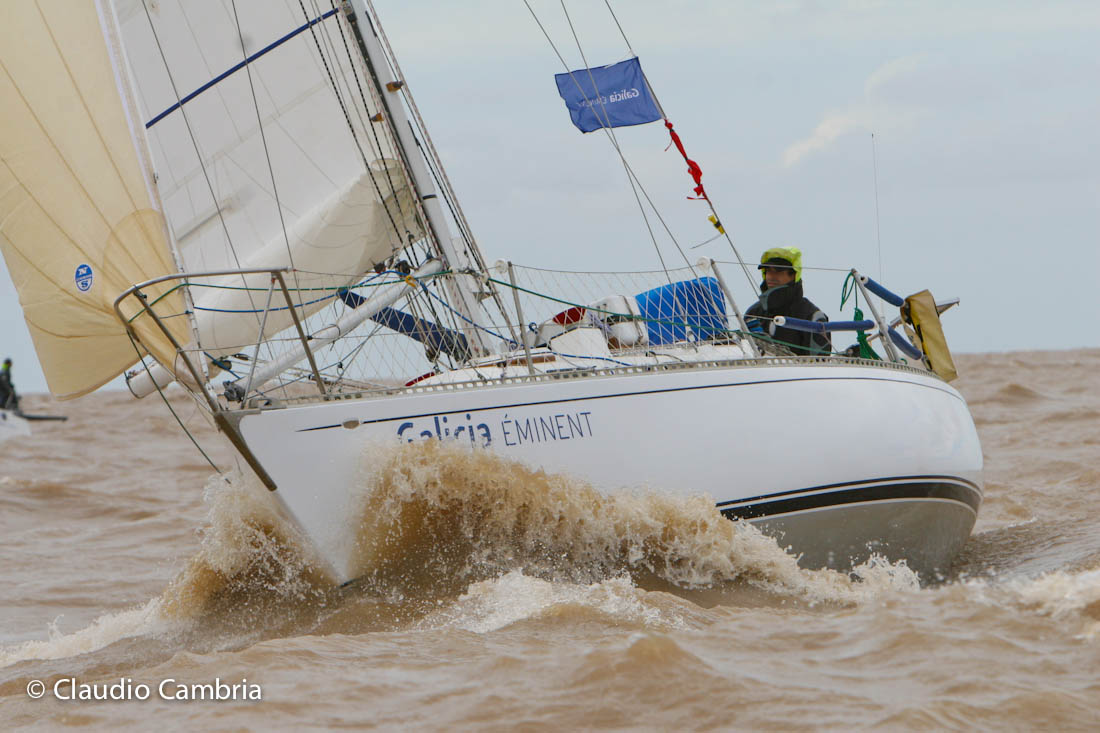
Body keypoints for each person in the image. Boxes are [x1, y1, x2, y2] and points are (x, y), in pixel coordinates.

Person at [744, 247, 832, 356]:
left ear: (794, 275)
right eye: (768, 271)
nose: (771, 276)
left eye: (778, 272)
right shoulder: (753, 312)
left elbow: (820, 363)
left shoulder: (812, 316)